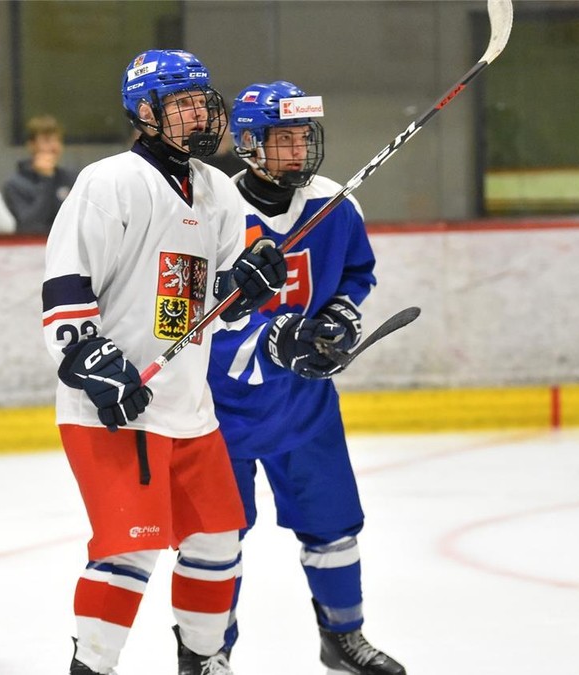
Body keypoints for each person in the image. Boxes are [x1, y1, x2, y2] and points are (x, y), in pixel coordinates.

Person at [42, 49, 289, 675]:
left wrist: (253, 282)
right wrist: (91, 358)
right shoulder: (110, 181)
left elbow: (225, 301)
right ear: (145, 114)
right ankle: (91, 668)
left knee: (217, 543)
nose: (199, 113)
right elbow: (66, 287)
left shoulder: (215, 190)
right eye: (181, 103)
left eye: (202, 100)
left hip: (188, 409)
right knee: (130, 553)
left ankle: (202, 661)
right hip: (115, 409)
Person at [207, 81, 406, 674]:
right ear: (247, 144)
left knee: (333, 525)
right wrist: (269, 337)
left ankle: (342, 638)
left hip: (304, 403)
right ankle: (208, 653)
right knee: (215, 544)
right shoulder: (211, 211)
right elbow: (187, 313)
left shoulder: (334, 204)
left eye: (302, 137)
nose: (297, 150)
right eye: (282, 139)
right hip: (219, 408)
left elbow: (356, 274)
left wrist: (340, 317)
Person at [3, 114, 78, 234]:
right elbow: (28, 225)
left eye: (58, 140)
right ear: (31, 145)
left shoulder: (71, 178)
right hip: (31, 249)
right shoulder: (15, 184)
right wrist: (47, 180)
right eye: (47, 140)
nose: (54, 147)